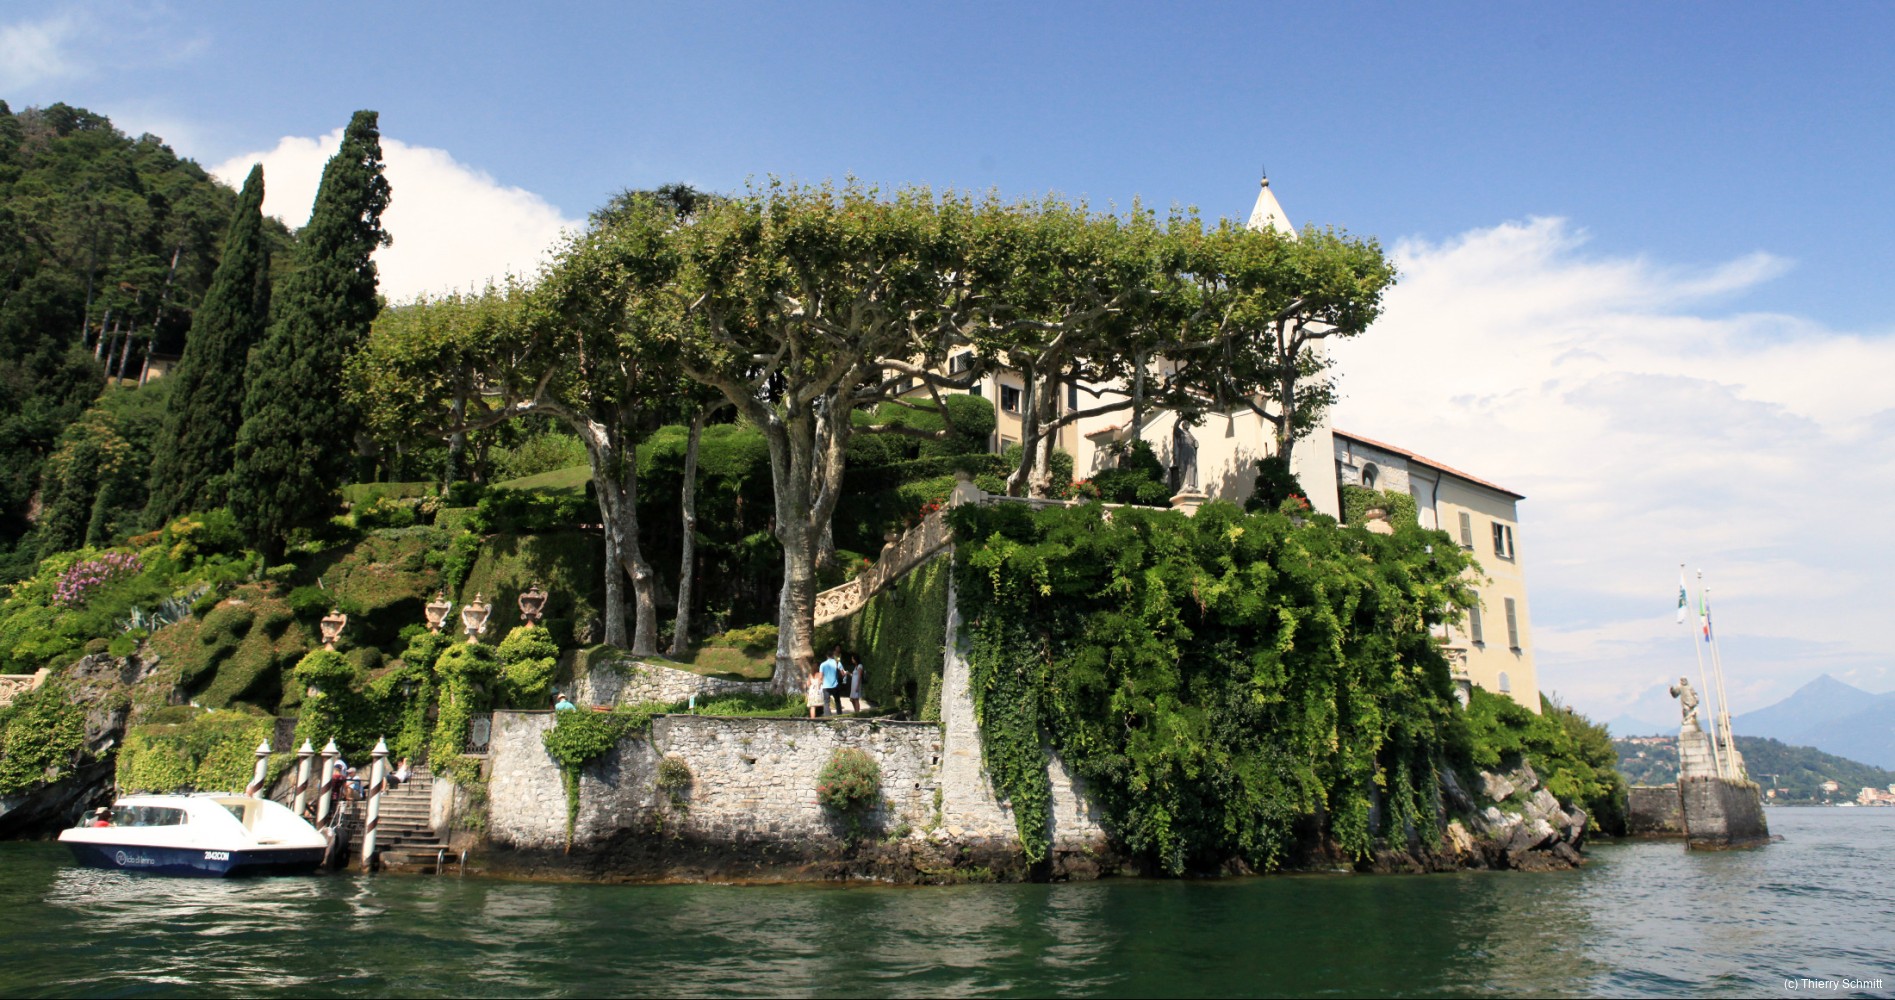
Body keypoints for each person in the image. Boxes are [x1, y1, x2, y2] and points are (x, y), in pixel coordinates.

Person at [819, 647, 845, 715]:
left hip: (826, 686)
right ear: (833, 655)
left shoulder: (822, 664)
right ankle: (839, 715)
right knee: (837, 701)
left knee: (826, 702)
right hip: (835, 685)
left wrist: (820, 684)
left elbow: (820, 676)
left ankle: (827, 716)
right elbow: (843, 673)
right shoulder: (837, 663)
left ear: (826, 655)